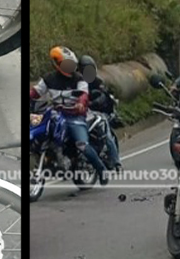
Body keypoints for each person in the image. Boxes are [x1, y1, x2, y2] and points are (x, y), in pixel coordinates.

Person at [29, 46, 109, 184]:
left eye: (72, 64)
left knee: (82, 144)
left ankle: (102, 170)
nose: (70, 67)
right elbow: (36, 92)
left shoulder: (79, 79)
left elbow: (84, 94)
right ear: (57, 64)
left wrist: (80, 104)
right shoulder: (49, 79)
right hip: (55, 114)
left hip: (75, 116)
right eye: (67, 64)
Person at [79, 55, 121, 172]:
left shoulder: (98, 82)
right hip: (83, 112)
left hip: (98, 112)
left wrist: (93, 102)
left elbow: (103, 96)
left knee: (105, 134)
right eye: (84, 70)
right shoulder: (78, 82)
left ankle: (116, 161)